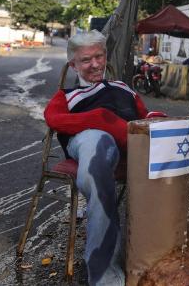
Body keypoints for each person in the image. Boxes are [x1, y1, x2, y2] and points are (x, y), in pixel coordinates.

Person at [44, 30, 163, 285]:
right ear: (73, 64)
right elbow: (54, 120)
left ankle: (163, 256)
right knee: (98, 141)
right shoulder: (66, 95)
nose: (95, 64)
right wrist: (101, 120)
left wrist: (157, 119)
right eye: (86, 60)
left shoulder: (123, 88)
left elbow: (143, 117)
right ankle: (104, 277)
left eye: (99, 56)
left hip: (131, 147)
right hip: (90, 144)